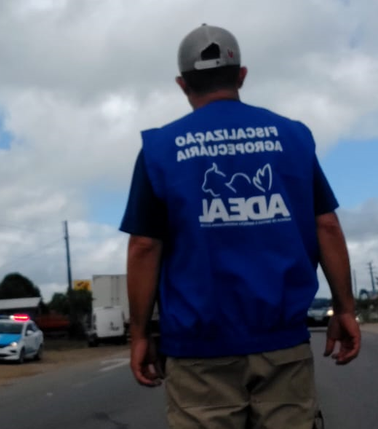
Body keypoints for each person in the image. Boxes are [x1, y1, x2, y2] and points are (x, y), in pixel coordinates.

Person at [120, 24, 361, 428]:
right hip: (282, 342)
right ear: (242, 75)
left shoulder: (161, 150)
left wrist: (140, 334)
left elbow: (144, 247)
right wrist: (346, 308)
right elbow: (327, 226)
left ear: (182, 84)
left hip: (198, 353)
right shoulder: (292, 137)